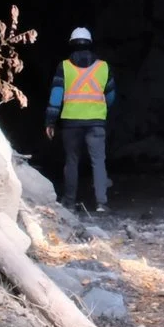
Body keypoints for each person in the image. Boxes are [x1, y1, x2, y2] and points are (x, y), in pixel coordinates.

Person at [45, 27, 113, 213]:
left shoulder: (64, 67)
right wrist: (101, 109)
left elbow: (56, 95)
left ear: (71, 44)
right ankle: (101, 203)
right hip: (96, 122)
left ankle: (69, 201)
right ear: (90, 43)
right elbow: (111, 95)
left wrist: (50, 121)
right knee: (98, 161)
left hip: (70, 122)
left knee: (72, 160)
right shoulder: (103, 67)